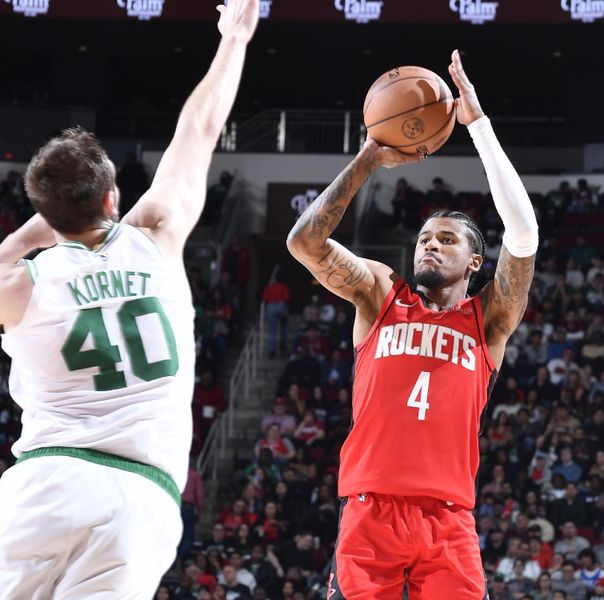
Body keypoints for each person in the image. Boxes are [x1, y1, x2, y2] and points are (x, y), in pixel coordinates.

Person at [0, 1, 260, 596]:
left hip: (44, 482)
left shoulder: (20, 286)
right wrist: (235, 38)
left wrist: (31, 233)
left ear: (44, 215)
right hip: (139, 493)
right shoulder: (158, 234)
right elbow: (198, 129)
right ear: (114, 198)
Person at [287, 49, 539, 599]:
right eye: (425, 237)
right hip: (370, 509)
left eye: (446, 239)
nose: (431, 244)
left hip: (448, 518)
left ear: (475, 263)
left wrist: (479, 127)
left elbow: (523, 235)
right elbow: (304, 243)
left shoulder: (490, 318)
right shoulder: (380, 294)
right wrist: (367, 159)